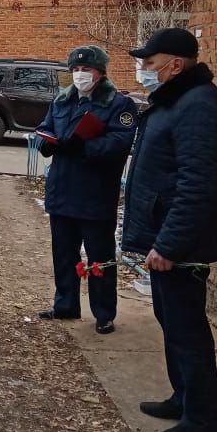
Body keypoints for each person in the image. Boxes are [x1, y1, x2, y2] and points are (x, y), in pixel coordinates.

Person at [122, 27, 217, 432]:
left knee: (188, 331)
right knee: (171, 323)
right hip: (165, 236)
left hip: (180, 245)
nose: (143, 70)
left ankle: (202, 421)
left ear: (175, 64)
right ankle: (182, 398)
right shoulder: (176, 101)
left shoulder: (198, 106)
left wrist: (169, 244)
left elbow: (197, 183)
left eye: (149, 63)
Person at [35, 45, 137, 334]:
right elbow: (45, 127)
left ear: (100, 73)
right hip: (63, 191)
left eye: (86, 70)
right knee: (64, 254)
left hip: (95, 194)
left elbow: (120, 142)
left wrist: (85, 146)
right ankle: (65, 304)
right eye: (75, 70)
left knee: (99, 257)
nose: (80, 75)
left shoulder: (118, 104)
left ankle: (104, 313)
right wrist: (45, 141)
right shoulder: (63, 100)